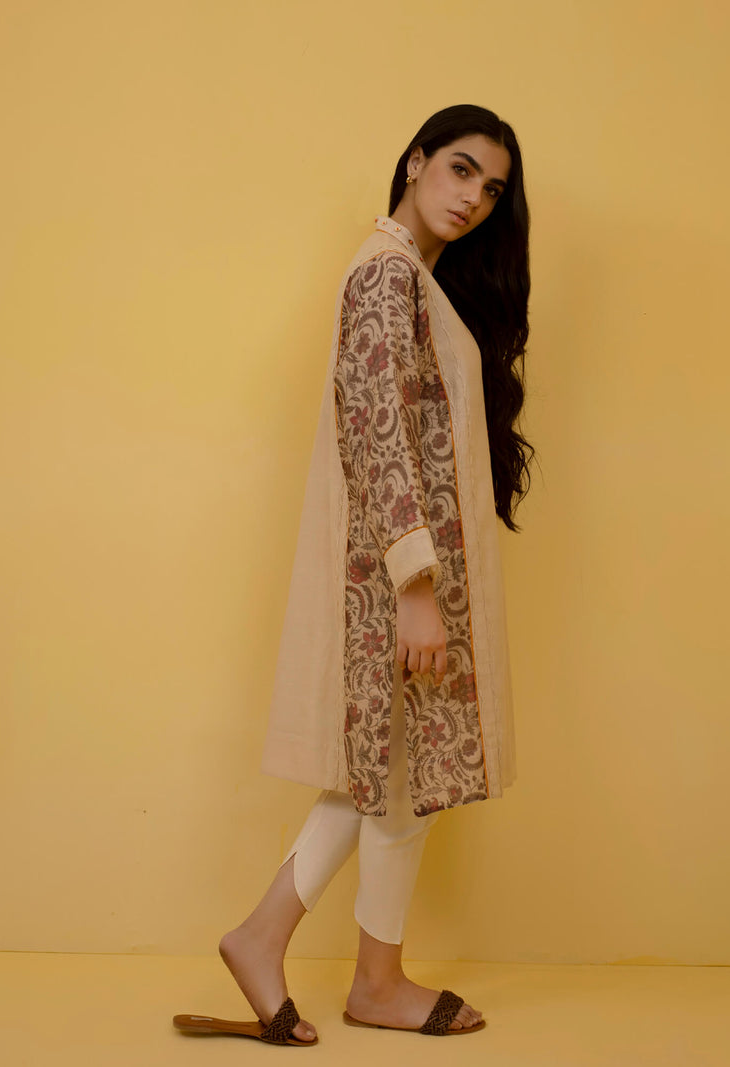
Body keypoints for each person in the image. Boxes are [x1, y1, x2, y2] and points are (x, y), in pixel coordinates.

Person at [173, 104, 532, 1046]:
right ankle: (363, 976)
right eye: (460, 169)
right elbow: (377, 432)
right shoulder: (384, 273)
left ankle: (287, 945)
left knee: (393, 774)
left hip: (410, 572)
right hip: (397, 577)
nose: (474, 197)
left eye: (492, 188)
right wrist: (415, 589)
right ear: (414, 163)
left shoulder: (416, 279)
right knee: (398, 775)